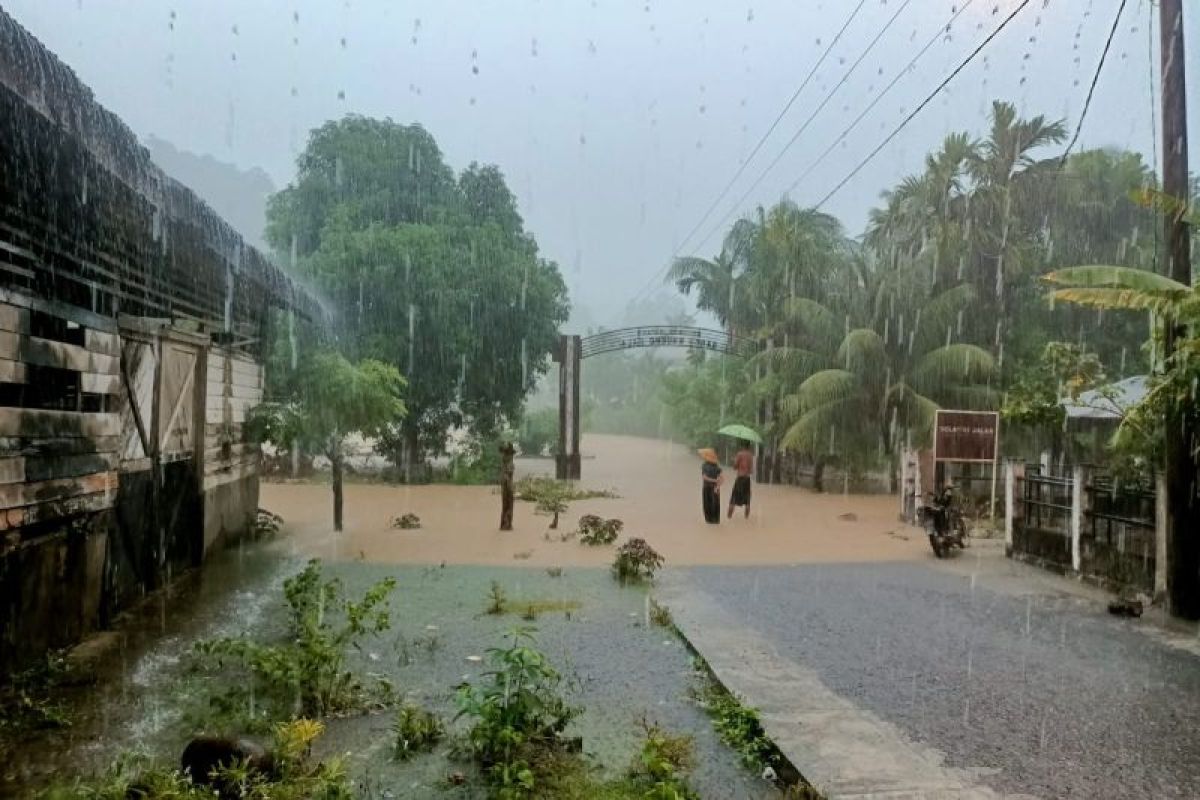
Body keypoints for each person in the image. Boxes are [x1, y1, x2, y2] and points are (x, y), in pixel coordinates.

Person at [698, 448, 723, 524]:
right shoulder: (717, 467)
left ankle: (709, 522)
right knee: (715, 504)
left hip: (707, 487)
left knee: (707, 504)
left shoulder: (704, 465)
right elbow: (722, 479)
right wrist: (717, 485)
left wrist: (715, 482)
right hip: (715, 488)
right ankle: (716, 521)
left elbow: (704, 477)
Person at [728, 444, 753, 519]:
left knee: (733, 499)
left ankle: (729, 517)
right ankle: (746, 519)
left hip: (740, 478)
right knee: (747, 501)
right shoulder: (750, 456)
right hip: (747, 479)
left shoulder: (739, 454)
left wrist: (734, 461)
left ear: (742, 445)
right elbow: (751, 470)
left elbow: (735, 467)